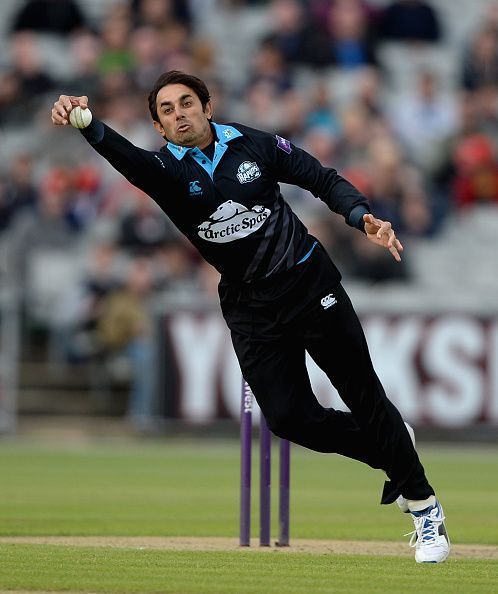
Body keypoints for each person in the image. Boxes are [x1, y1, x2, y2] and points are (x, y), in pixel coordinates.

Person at [51, 70, 450, 563]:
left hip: (309, 284)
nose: (180, 115)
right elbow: (123, 157)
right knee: (288, 418)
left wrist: (358, 214)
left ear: (207, 107)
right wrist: (86, 124)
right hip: (250, 307)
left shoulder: (251, 144)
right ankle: (388, 444)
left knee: (363, 394)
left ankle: (424, 508)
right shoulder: (163, 172)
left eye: (186, 103)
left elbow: (318, 176)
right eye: (168, 111)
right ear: (158, 127)